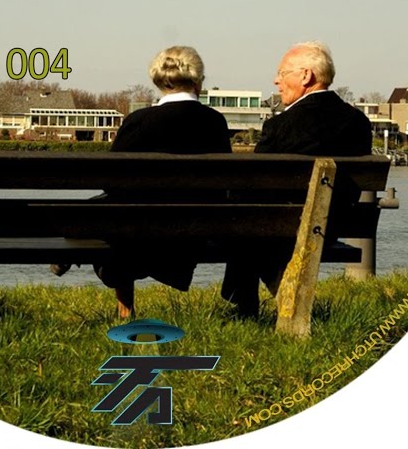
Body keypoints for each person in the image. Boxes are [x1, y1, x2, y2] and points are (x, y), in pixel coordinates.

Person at [54, 46, 231, 315]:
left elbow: (111, 182)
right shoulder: (215, 122)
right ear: (198, 82)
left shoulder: (138, 121)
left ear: (158, 81)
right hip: (193, 233)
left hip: (138, 232)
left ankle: (124, 308)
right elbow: (223, 183)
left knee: (101, 210)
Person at [220, 41, 372, 315]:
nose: (276, 81)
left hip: (281, 227)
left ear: (306, 76)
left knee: (245, 221)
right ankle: (265, 304)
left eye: (282, 73)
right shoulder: (358, 122)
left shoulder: (281, 126)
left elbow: (252, 183)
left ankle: (246, 306)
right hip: (334, 224)